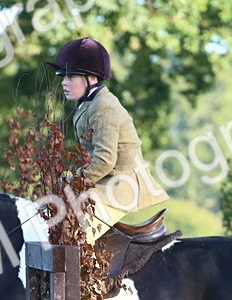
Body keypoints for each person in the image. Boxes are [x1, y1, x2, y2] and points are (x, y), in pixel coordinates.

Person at [47, 37, 168, 242]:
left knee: (75, 238)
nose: (63, 83)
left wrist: (72, 181)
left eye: (70, 77)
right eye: (63, 77)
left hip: (122, 186)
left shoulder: (104, 106)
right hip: (107, 182)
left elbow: (104, 160)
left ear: (91, 78)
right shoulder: (89, 104)